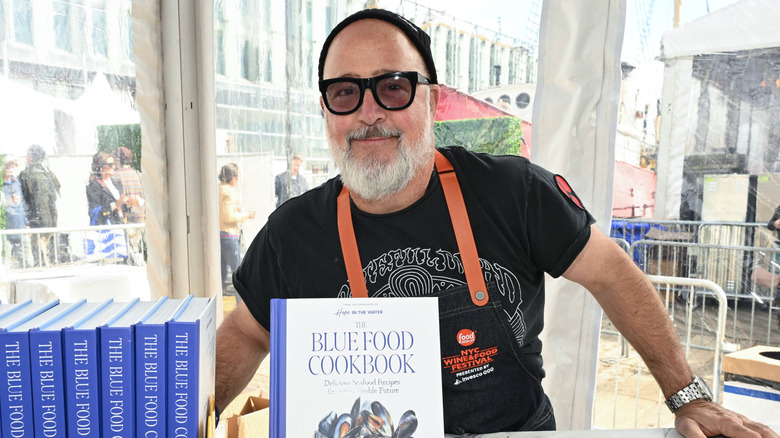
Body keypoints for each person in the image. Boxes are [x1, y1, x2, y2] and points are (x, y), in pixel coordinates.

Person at [215, 9, 776, 437]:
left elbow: (612, 273)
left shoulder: (513, 193)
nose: (370, 111)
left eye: (393, 87)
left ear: (430, 100)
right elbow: (245, 331)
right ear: (326, 111)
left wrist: (689, 397)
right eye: (345, 92)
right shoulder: (291, 233)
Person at [19, 144, 61, 266]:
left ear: (30, 157)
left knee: (38, 256)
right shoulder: (49, 174)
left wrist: (27, 221)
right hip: (50, 219)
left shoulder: (25, 175)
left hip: (35, 221)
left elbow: (23, 199)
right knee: (46, 252)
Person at [218, 163, 255, 294]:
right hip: (229, 236)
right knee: (240, 275)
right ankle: (242, 303)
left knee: (221, 274)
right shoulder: (228, 192)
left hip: (220, 235)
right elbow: (228, 217)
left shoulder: (218, 189)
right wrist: (246, 215)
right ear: (233, 178)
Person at [112, 147, 145, 263]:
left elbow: (116, 199)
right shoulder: (138, 174)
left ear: (117, 159)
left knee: (126, 252)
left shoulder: (115, 176)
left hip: (126, 218)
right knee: (135, 249)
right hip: (140, 217)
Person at [2, 159, 31, 268]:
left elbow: (22, 205)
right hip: (6, 231)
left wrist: (27, 223)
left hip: (21, 228)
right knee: (6, 265)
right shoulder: (2, 185)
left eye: (13, 166)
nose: (11, 169)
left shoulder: (17, 182)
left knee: (28, 263)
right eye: (8, 166)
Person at [86, 151, 127, 226]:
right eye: (110, 165)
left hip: (119, 226)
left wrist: (129, 203)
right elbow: (95, 212)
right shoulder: (94, 186)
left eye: (114, 164)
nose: (114, 167)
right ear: (100, 166)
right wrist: (115, 204)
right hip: (104, 230)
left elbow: (122, 207)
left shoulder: (117, 184)